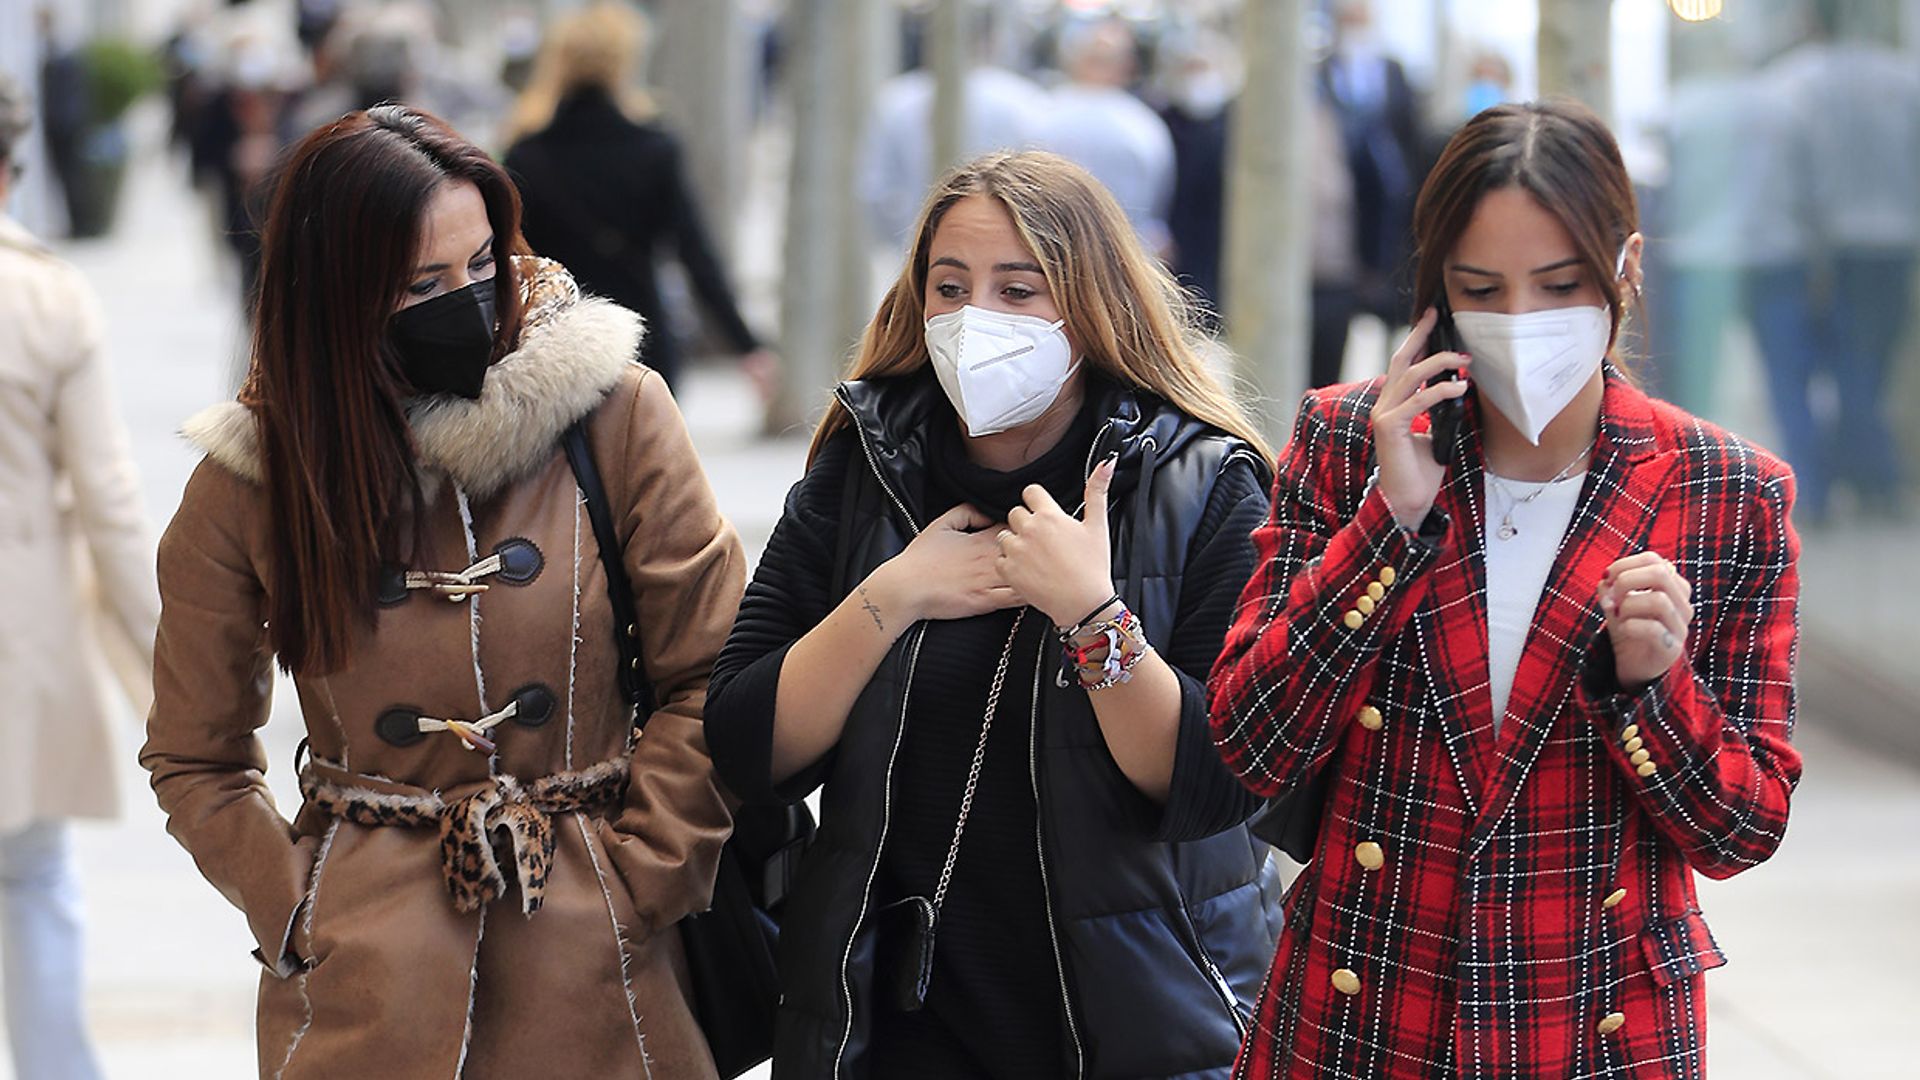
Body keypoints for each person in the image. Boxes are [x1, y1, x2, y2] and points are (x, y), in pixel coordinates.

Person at [141, 105, 743, 1078]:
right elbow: (192, 755)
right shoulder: (253, 479)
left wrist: (646, 874)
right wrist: (296, 903)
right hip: (365, 988)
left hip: (600, 969)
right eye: (420, 284)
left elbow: (712, 669)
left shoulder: (614, 413)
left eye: (481, 266)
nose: (464, 301)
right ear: (335, 296)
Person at [1210, 101, 1802, 1078]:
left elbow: (1744, 828)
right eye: (1483, 288)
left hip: (1597, 1025)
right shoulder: (1346, 441)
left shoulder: (1728, 490)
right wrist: (1384, 529)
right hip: (1362, 1014)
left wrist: (1653, 689)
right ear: (1435, 294)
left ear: (1627, 268)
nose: (1521, 323)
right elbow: (1250, 744)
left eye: (1559, 285)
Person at [706, 150, 1282, 1078]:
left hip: (1138, 1029)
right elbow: (744, 747)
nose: (978, 319)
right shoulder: (866, 469)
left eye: (1020, 290)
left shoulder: (1202, 487)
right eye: (950, 286)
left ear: (1092, 308)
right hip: (888, 1028)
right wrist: (893, 596)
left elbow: (1215, 785)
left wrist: (1093, 616)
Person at [0, 72, 154, 1080]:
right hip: (20, 642)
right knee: (33, 881)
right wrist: (175, 670)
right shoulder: (43, 296)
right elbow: (109, 503)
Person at [503, 2, 775, 396]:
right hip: (641, 339)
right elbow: (695, 254)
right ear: (624, 64)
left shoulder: (526, 154)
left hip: (554, 345)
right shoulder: (654, 148)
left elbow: (514, 257)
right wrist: (745, 344)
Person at [1749, 0, 1920, 521]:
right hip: (1896, 245)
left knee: (1829, 367)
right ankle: (1872, 478)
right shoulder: (1905, 79)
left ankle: (1838, 479)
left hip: (1823, 249)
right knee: (1868, 364)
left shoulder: (1791, 83)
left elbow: (1788, 177)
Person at [1033, 18, 1175, 257]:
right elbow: (1154, 215)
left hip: (1048, 252)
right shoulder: (1143, 125)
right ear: (1128, 66)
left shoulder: (1041, 113)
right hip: (1124, 258)